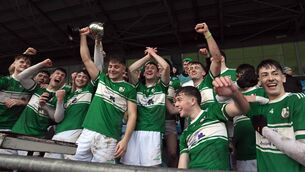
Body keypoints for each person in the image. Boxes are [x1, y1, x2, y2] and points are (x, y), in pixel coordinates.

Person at [73, 27, 137, 163]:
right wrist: (83, 36)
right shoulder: (101, 78)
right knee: (74, 167)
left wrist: (125, 139)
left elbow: (132, 115)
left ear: (123, 69)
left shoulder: (129, 88)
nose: (112, 69)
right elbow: (86, 59)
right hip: (87, 133)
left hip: (109, 138)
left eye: (116, 67)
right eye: (110, 66)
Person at [245, 59, 305, 172]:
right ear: (259, 81)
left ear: (283, 77)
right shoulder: (258, 107)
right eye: (264, 75)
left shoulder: (297, 101)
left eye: (275, 73)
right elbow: (225, 99)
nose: (271, 78)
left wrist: (265, 130)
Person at [176, 83, 249, 170]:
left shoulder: (213, 112)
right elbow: (182, 167)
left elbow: (243, 109)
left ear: (192, 101)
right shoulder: (185, 134)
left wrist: (234, 93)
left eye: (179, 100)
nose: (176, 104)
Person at [121, 47, 170, 166]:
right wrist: (148, 57)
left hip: (153, 131)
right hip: (134, 131)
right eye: (147, 68)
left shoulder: (161, 87)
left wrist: (153, 54)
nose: (149, 69)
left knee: (152, 167)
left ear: (158, 73)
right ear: (143, 73)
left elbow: (166, 67)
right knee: (130, 166)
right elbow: (131, 69)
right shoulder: (137, 87)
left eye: (152, 68)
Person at [12, 59, 66, 138]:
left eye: (62, 75)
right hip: (19, 131)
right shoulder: (38, 88)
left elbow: (57, 119)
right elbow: (21, 77)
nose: (59, 76)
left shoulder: (60, 97)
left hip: (38, 137)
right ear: (51, 76)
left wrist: (46, 106)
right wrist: (42, 64)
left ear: (63, 81)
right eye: (57, 73)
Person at [233, 64, 268, 171]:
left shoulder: (262, 91)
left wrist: (255, 98)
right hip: (242, 154)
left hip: (262, 150)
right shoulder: (234, 96)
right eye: (237, 77)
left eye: (241, 76)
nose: (238, 79)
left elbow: (272, 104)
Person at [0, 48, 37, 131]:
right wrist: (24, 54)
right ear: (14, 64)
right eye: (22, 62)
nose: (25, 64)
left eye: (28, 63)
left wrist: (22, 102)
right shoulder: (4, 81)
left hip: (16, 128)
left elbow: (36, 105)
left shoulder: (32, 86)